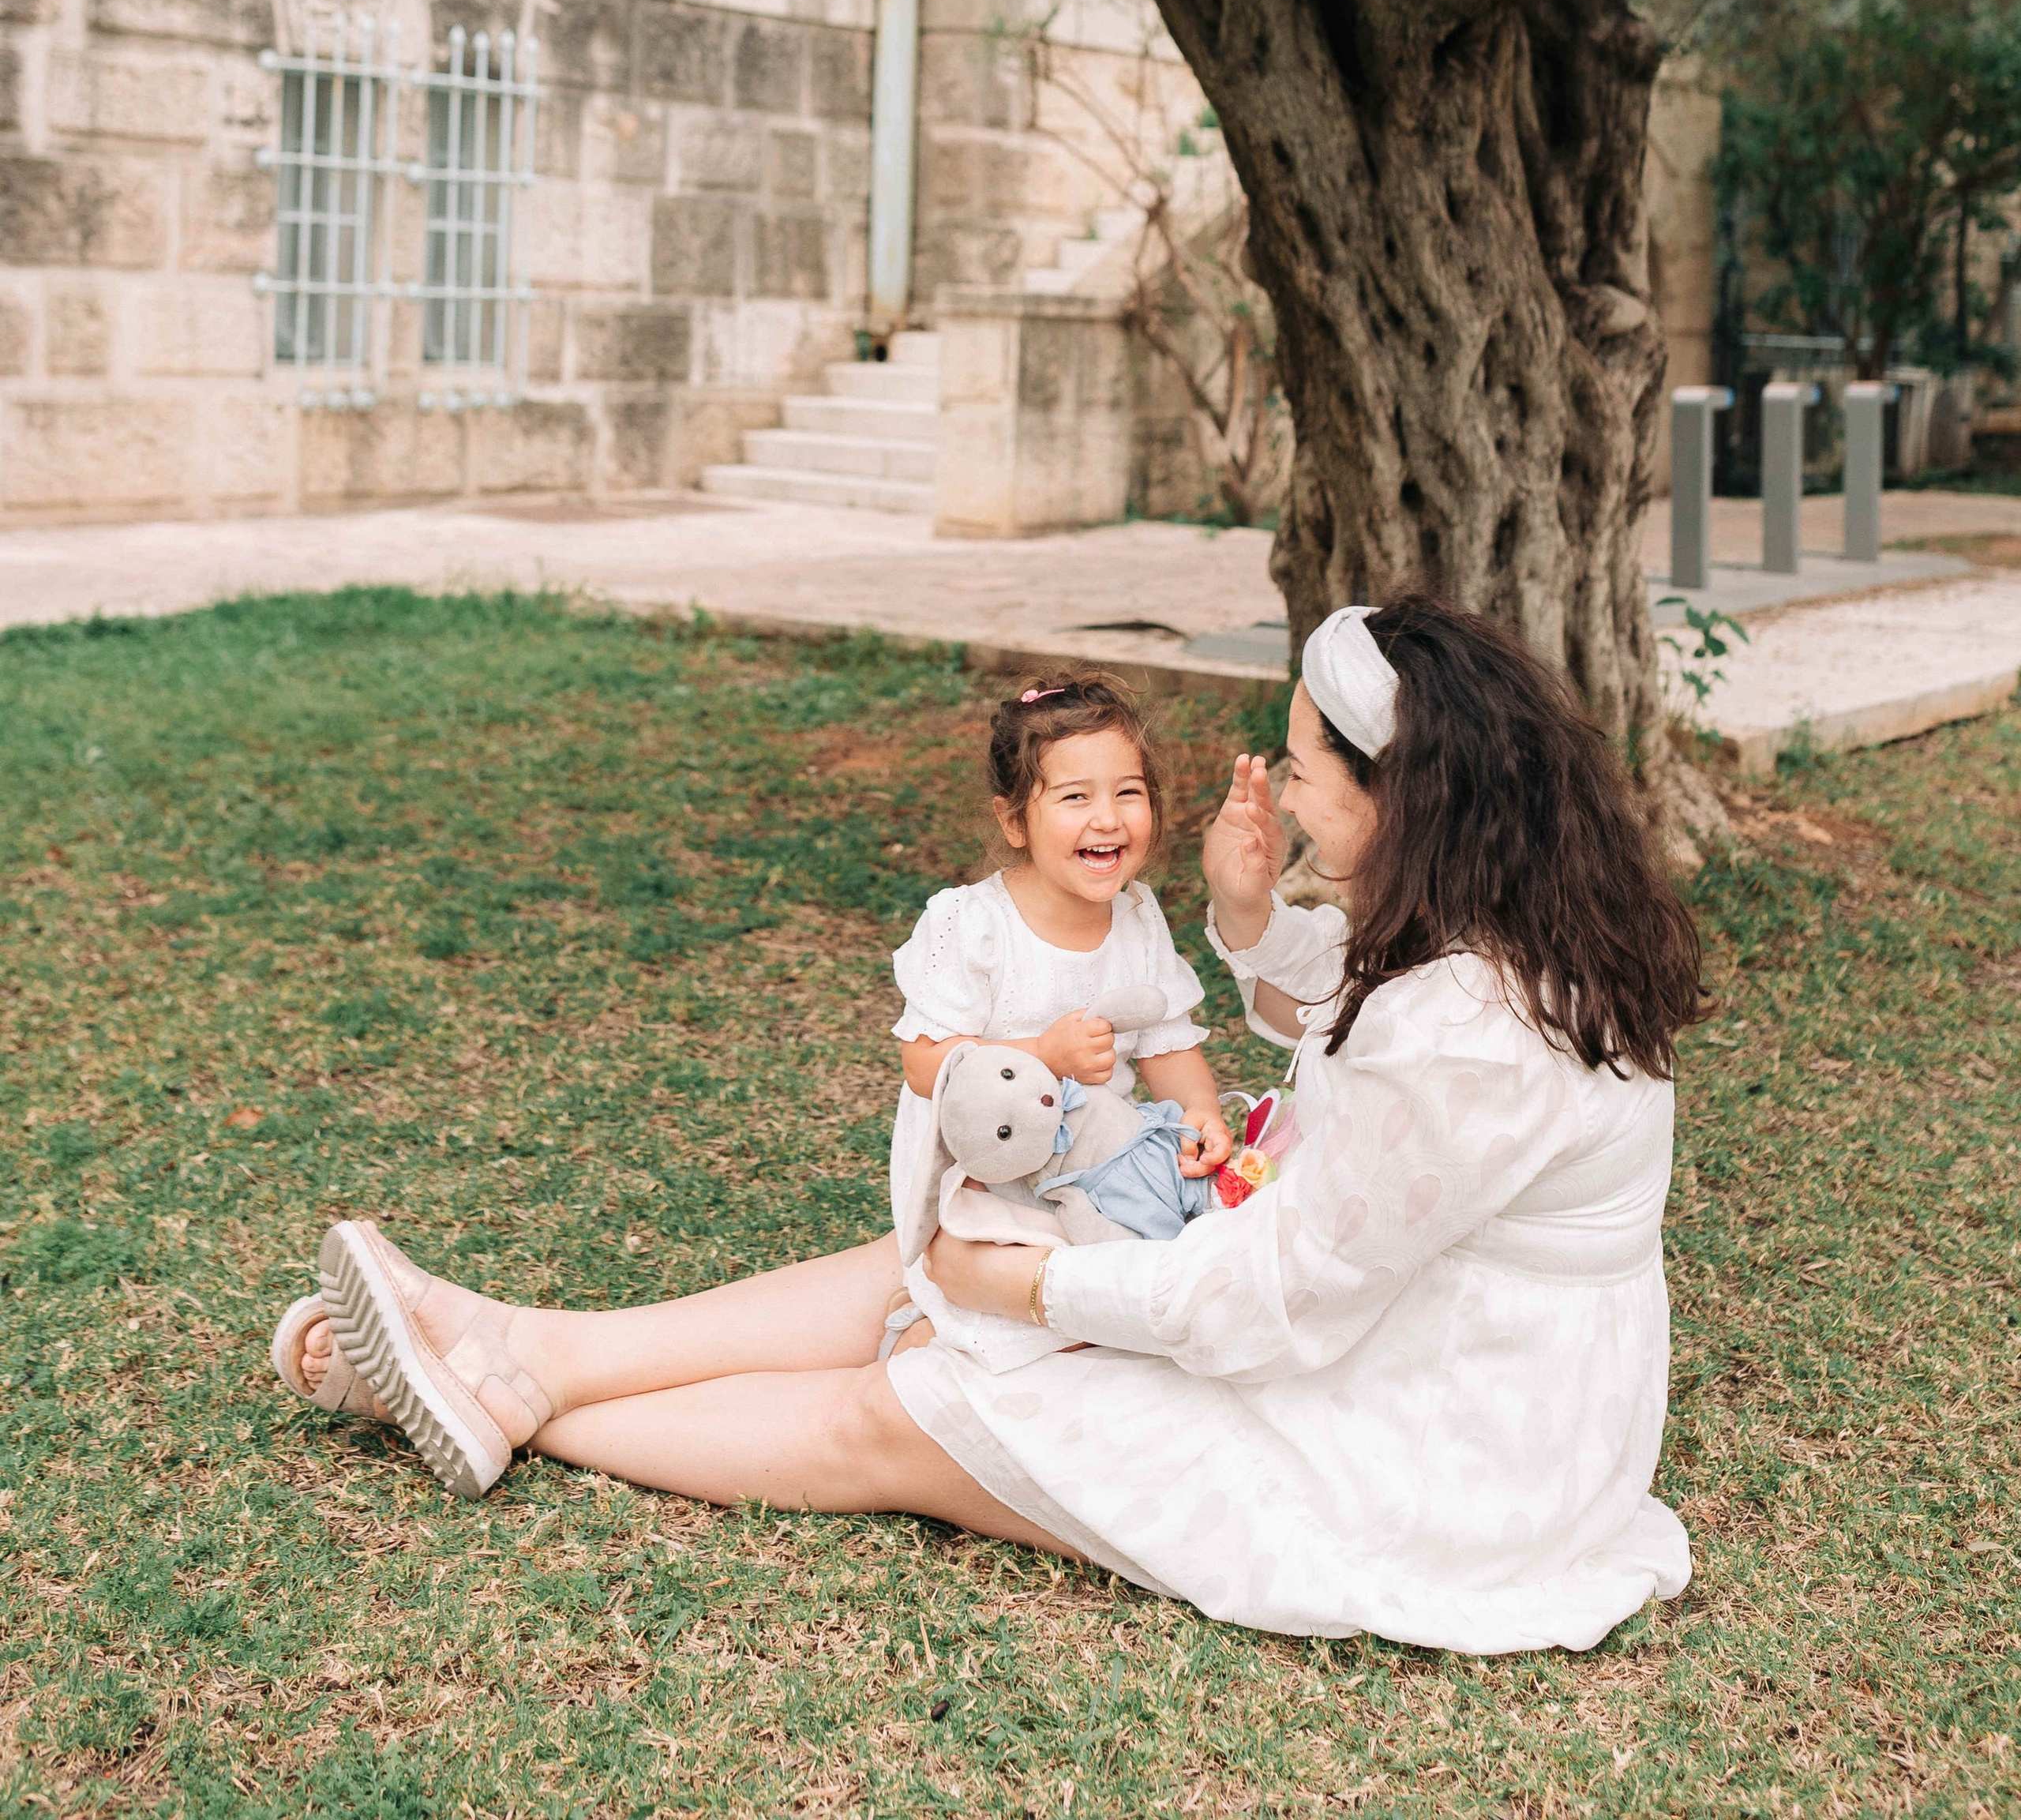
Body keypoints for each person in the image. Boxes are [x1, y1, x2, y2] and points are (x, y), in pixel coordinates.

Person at [282, 595, 1704, 1654]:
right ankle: (513, 1352)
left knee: (915, 1403)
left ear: (1407, 794)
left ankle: (511, 1398)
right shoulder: (1514, 927)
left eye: (1307, 775)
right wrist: (1255, 912)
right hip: (1397, 1338)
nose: (1289, 801)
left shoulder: (1472, 1038)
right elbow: (1341, 1015)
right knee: (929, 1258)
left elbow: (1271, 1298)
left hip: (1438, 1454)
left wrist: (1028, 1286)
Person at [884, 670, 1228, 1365]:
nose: (1107, 819)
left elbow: (1166, 1042)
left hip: (1103, 1167)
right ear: (1015, 821)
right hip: (990, 1173)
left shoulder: (1136, 916)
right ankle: (921, 1344)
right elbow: (924, 1064)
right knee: (998, 1316)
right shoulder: (972, 924)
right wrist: (1041, 1052)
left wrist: (1200, 1111)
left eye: (1128, 793)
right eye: (1075, 798)